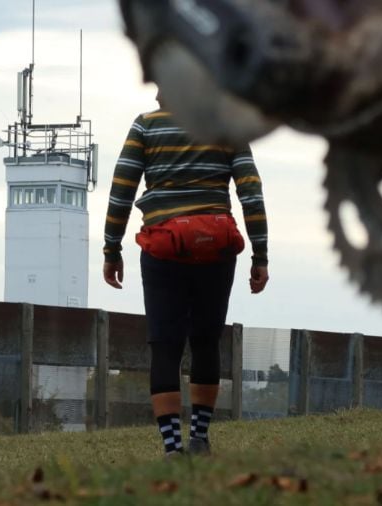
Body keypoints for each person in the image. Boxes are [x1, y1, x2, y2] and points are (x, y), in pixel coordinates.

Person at [102, 93, 270, 457]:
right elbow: (250, 192)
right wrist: (260, 254)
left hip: (163, 249)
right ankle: (200, 438)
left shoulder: (145, 126)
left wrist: (111, 249)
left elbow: (122, 191)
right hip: (216, 250)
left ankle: (172, 448)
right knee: (207, 342)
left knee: (166, 346)